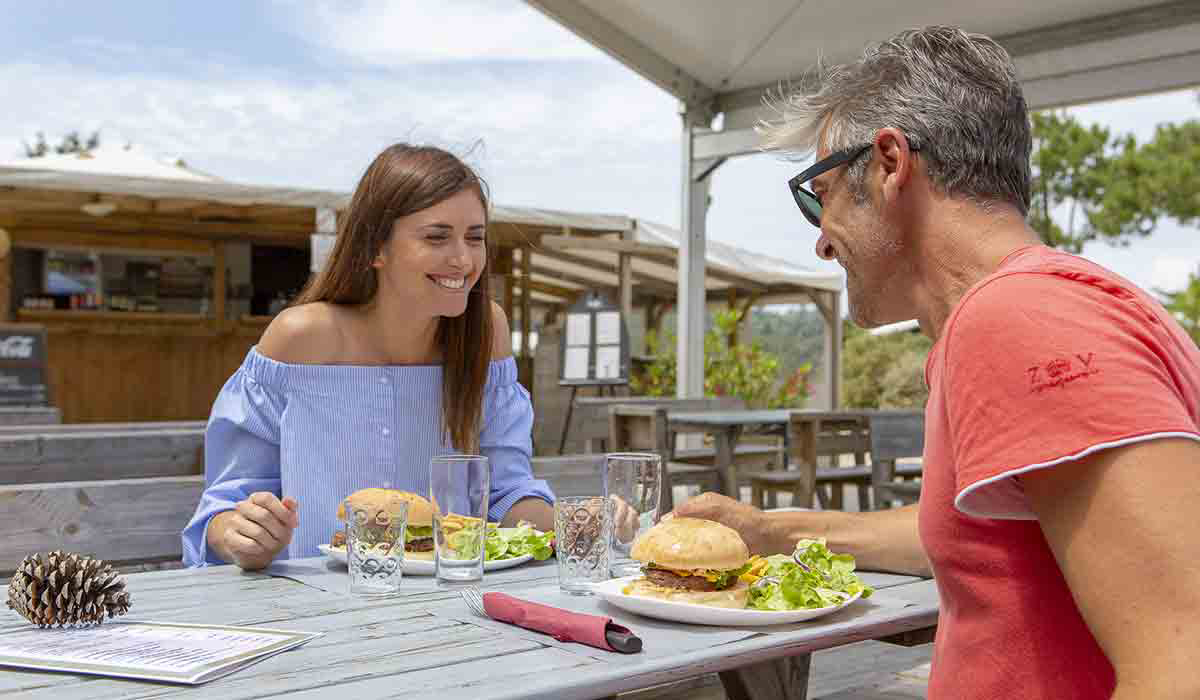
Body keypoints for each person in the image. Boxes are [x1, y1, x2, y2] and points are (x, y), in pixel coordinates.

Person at [673, 26, 1200, 700]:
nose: (821, 246)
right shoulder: (1074, 303)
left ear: (889, 163)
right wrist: (772, 530)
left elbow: (1183, 658)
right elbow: (981, 535)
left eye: (819, 194)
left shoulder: (1018, 321)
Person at [182, 144, 556, 571]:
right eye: (437, 236)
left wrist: (580, 523)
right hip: (310, 605)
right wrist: (244, 533)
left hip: (454, 600)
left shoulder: (486, 332)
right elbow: (224, 508)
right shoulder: (299, 338)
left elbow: (506, 492)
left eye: (475, 237)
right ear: (375, 248)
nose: (463, 258)